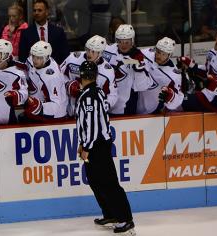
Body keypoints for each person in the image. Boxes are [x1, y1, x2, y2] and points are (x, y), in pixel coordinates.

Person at [76, 60, 135, 235]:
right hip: (94, 144)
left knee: (109, 183)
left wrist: (86, 146)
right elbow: (87, 124)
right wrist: (82, 143)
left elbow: (93, 126)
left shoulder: (90, 95)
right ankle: (111, 213)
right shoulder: (93, 92)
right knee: (95, 180)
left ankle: (125, 219)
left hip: (97, 146)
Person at [102, 24, 153, 115]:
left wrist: (139, 71)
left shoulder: (138, 58)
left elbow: (143, 86)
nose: (123, 45)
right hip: (105, 103)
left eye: (127, 42)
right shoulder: (107, 50)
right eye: (120, 41)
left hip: (125, 108)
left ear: (132, 41)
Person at [61, 35, 116, 116]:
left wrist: (100, 107)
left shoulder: (107, 71)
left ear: (100, 53)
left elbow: (112, 96)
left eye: (93, 51)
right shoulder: (73, 59)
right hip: (70, 111)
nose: (89, 54)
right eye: (88, 50)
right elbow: (59, 75)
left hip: (93, 114)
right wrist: (68, 84)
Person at [19, 41, 68, 121]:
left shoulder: (52, 77)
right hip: (37, 106)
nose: (35, 60)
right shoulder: (32, 60)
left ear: (46, 57)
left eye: (39, 58)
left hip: (55, 116)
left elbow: (56, 105)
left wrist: (39, 106)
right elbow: (26, 69)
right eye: (34, 56)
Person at [138, 37, 184, 114]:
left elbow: (178, 99)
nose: (159, 56)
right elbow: (130, 59)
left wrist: (171, 97)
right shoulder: (148, 53)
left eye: (164, 54)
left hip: (152, 110)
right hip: (136, 100)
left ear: (169, 55)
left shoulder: (174, 75)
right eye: (158, 52)